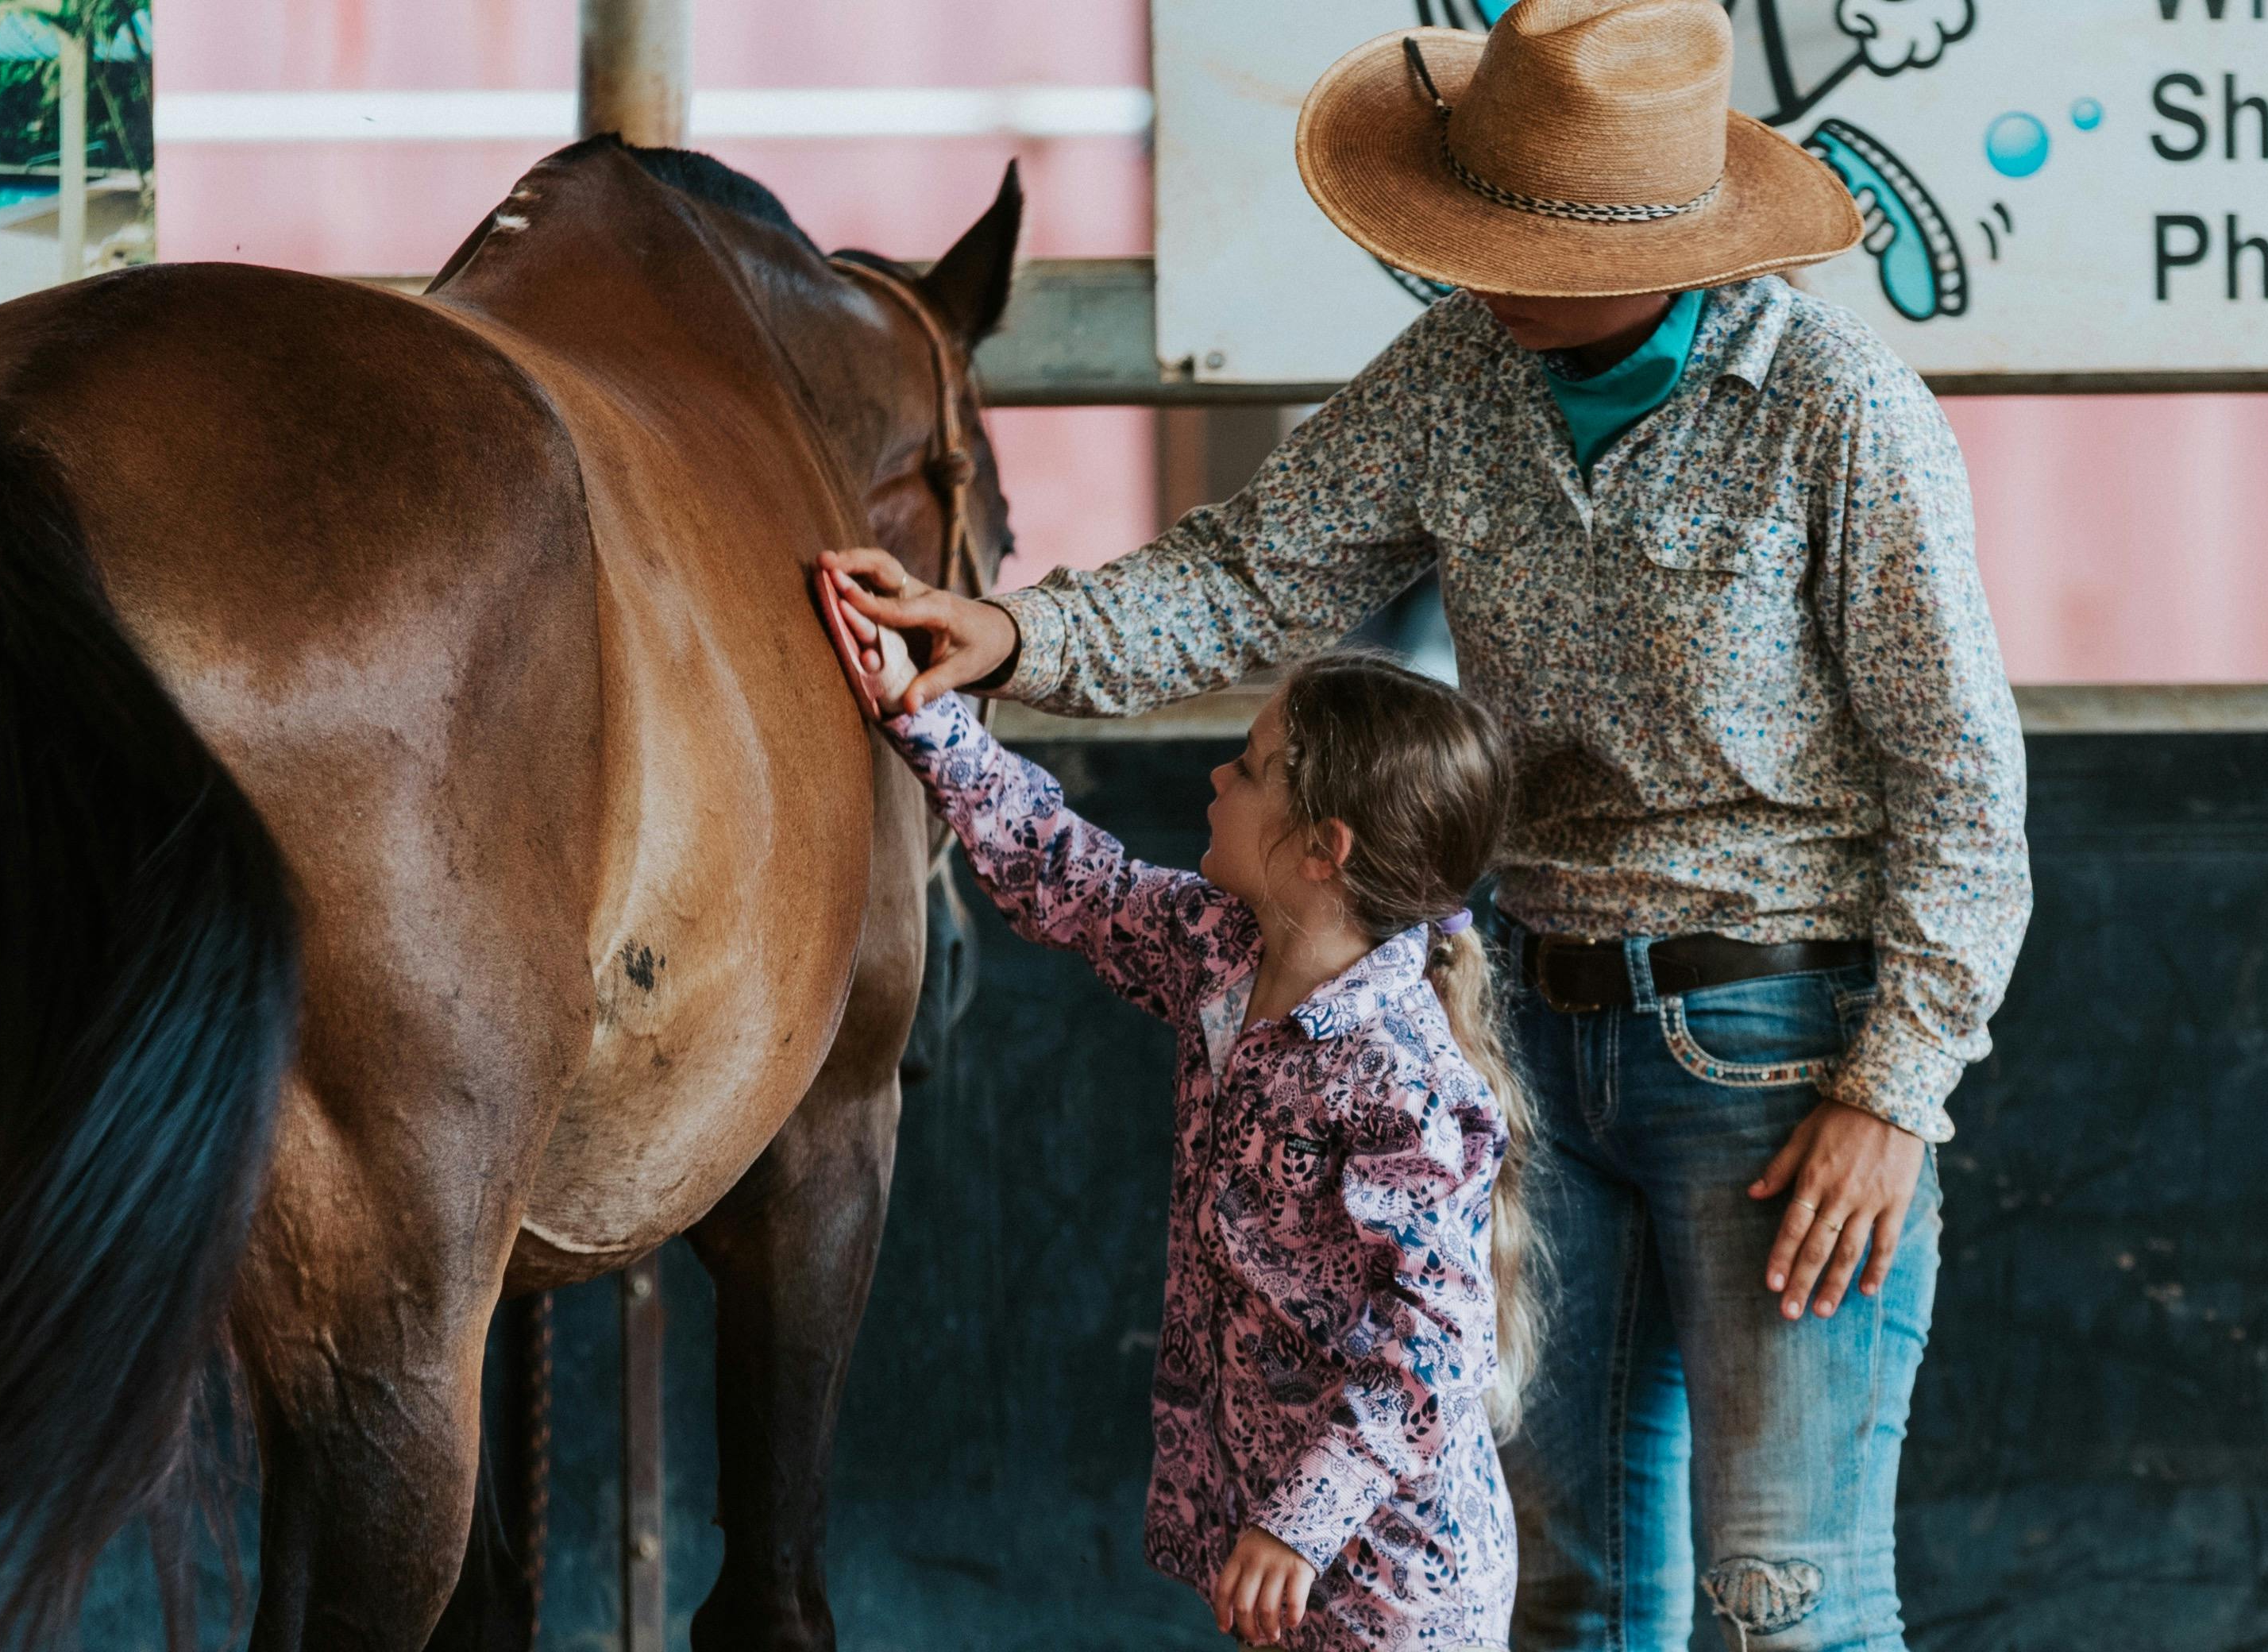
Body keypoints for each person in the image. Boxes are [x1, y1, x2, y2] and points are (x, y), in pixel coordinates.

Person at [831, 3, 2031, 1647]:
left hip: (1779, 1045)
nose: (1467, 262)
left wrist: (1896, 1084)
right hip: (1526, 1024)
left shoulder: (1839, 412)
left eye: (1505, 232)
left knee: (1788, 1603)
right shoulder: (1467, 371)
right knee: (1579, 1590)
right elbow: (1260, 566)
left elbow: (1961, 771)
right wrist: (1019, 636)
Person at [835, 593, 1541, 1650]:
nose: (1218, 775)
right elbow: (1068, 875)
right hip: (1277, 1556)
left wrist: (1299, 1527)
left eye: (1249, 768)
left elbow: (1436, 1344)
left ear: (1321, 849)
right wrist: (919, 709)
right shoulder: (1218, 950)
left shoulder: (1405, 1078)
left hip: (1396, 1585)